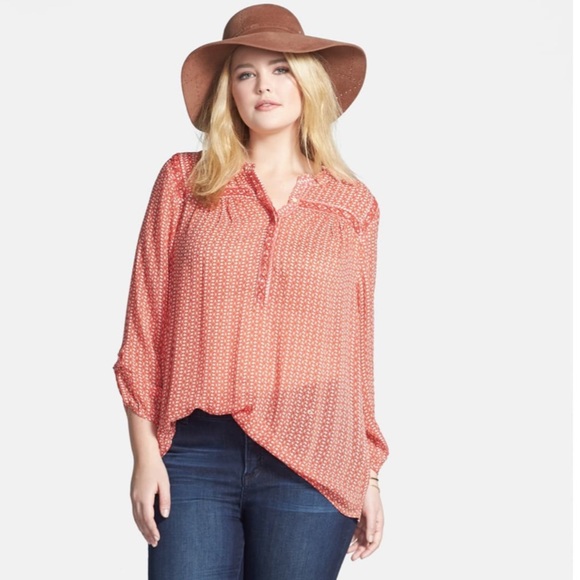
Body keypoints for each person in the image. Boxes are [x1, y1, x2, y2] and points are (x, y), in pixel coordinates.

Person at [112, 3, 389, 579]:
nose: (264, 85)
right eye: (246, 73)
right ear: (229, 93)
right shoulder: (184, 182)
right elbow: (144, 325)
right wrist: (144, 455)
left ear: (307, 82)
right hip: (195, 451)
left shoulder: (353, 206)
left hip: (314, 454)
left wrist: (367, 473)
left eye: (281, 68)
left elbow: (355, 349)